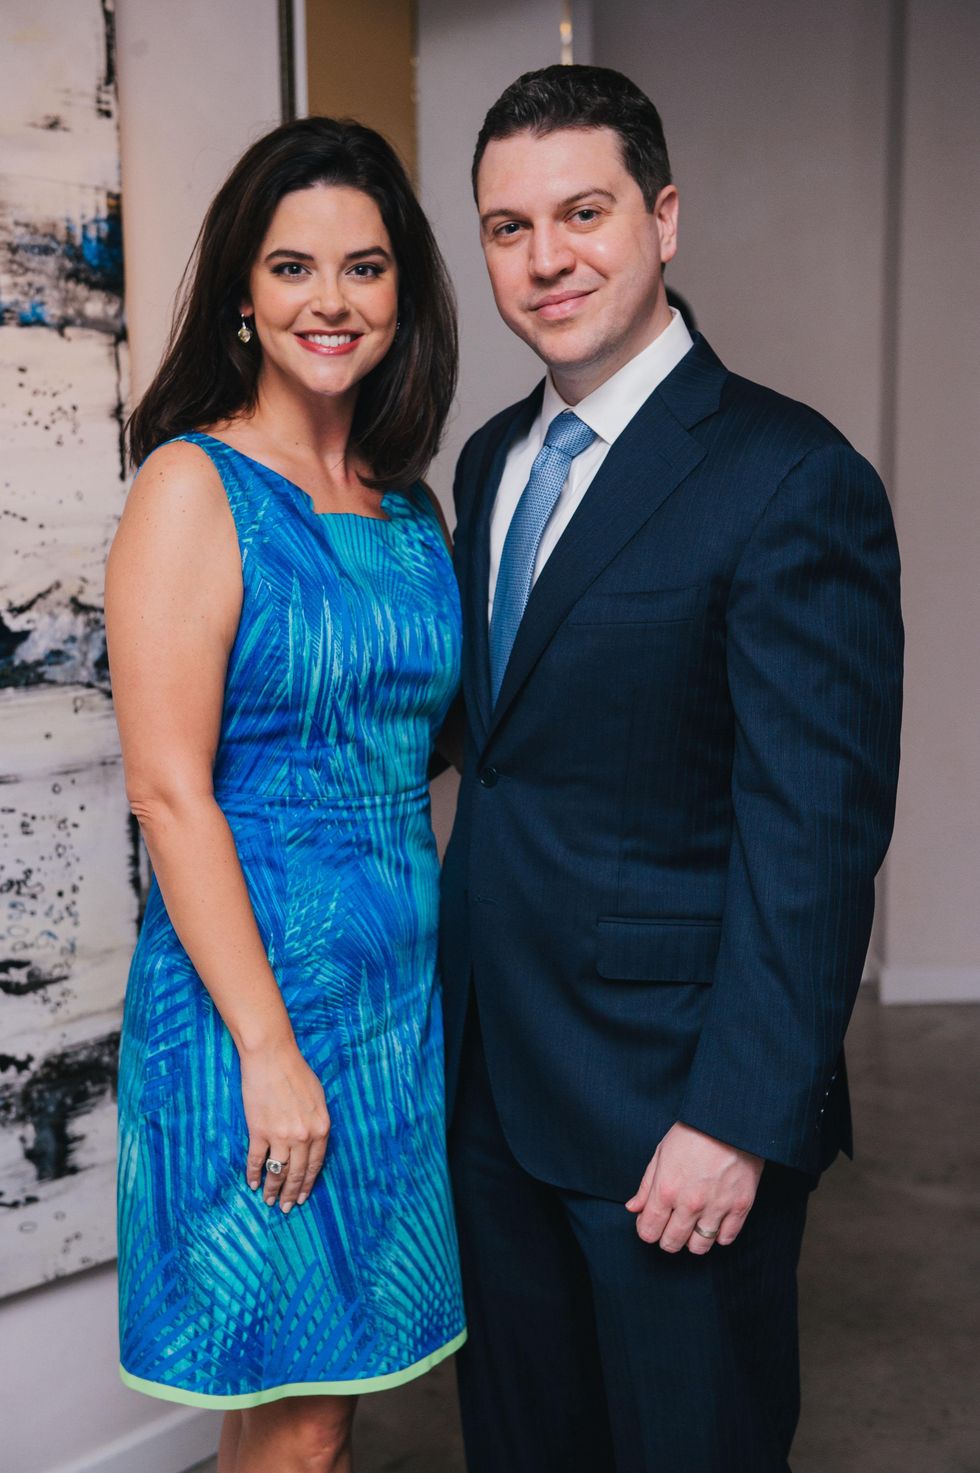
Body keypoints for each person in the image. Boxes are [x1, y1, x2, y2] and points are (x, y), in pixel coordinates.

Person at [440, 64, 903, 1473]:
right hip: (491, 1088)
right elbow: (507, 757)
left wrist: (736, 1119)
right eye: (509, 227)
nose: (547, 258)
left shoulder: (789, 475)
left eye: (583, 212)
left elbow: (813, 835)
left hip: (671, 1115)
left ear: (664, 217)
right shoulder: (488, 464)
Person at [106, 116, 465, 1473]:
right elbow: (168, 791)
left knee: (327, 1393)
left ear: (402, 293)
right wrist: (267, 1047)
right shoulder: (193, 487)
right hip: (250, 1006)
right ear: (244, 296)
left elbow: (410, 741)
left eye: (365, 267)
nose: (332, 300)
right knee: (303, 1421)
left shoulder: (408, 507)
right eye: (293, 266)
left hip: (396, 1005)